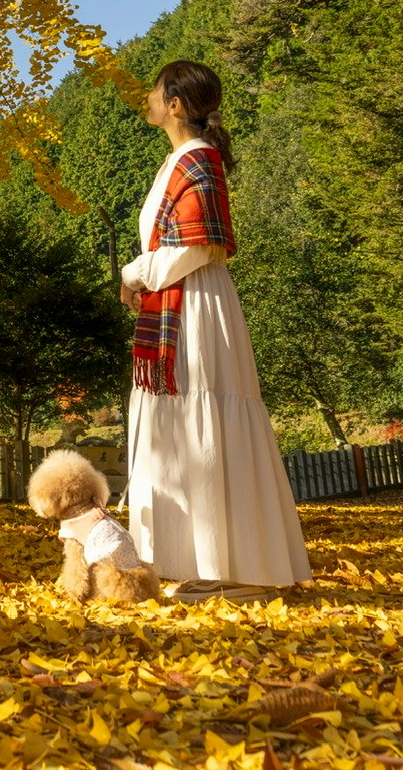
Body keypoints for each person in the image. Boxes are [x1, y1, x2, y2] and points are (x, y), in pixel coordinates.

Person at [118, 59, 311, 596]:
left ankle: (234, 569)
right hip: (180, 302)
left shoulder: (197, 161)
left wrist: (134, 273)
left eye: (156, 92)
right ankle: (198, 563)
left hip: (195, 307)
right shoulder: (180, 161)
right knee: (181, 430)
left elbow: (199, 245)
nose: (149, 100)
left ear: (175, 104)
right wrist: (141, 277)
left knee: (203, 424)